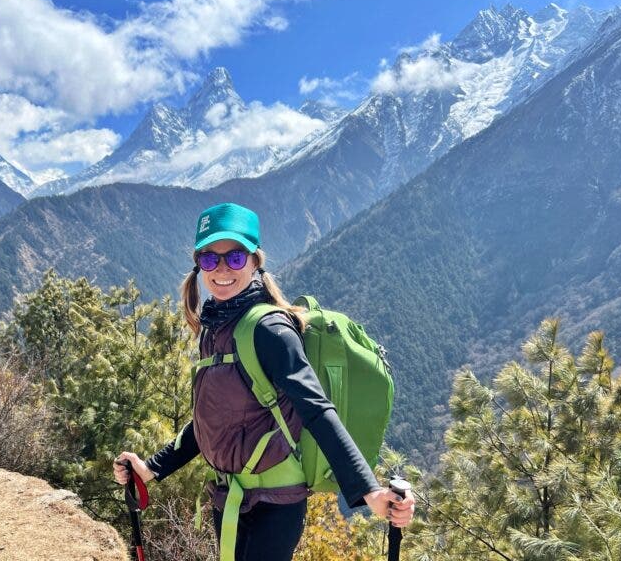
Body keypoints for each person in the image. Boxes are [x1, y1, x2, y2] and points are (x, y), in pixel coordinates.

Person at [113, 202, 416, 561]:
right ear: (199, 266)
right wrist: (153, 467)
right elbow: (212, 420)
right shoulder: (214, 328)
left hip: (274, 504)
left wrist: (370, 493)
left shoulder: (269, 329)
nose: (221, 269)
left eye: (235, 258)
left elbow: (317, 411)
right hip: (229, 497)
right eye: (210, 259)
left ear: (256, 261)